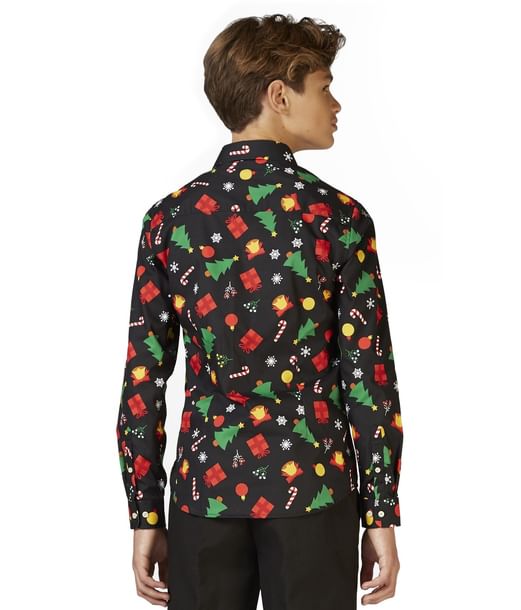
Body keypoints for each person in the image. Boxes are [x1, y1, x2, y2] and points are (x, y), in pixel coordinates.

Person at [116, 13, 403, 610]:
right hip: (314, 492)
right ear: (280, 95)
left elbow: (143, 380)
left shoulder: (169, 219)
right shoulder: (338, 219)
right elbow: (368, 379)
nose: (336, 105)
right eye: (324, 87)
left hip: (204, 493)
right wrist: (380, 511)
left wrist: (145, 512)